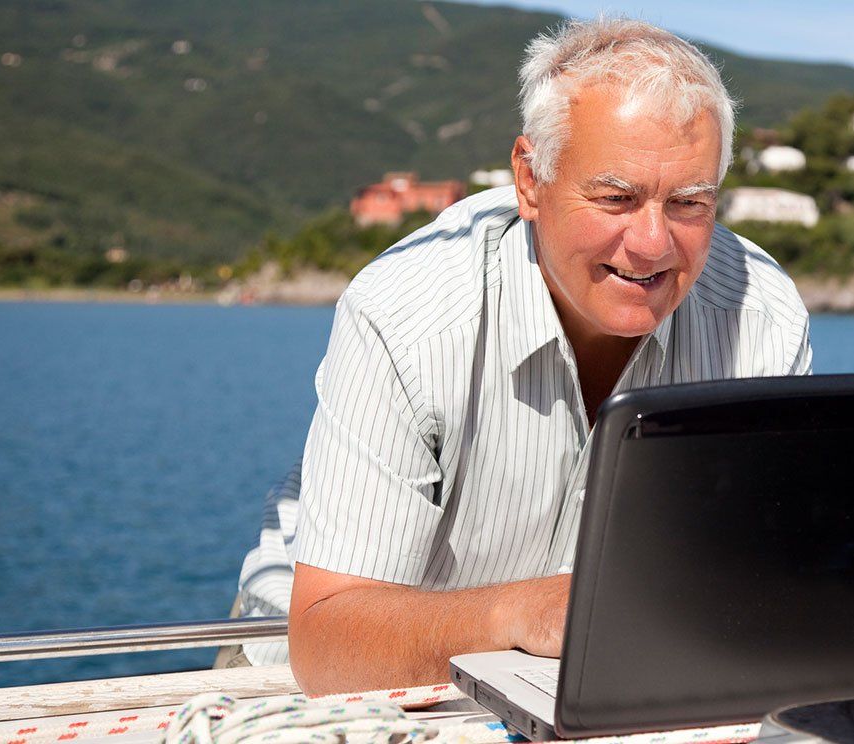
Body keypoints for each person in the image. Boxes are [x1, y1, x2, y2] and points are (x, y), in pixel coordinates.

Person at [233, 17, 813, 694]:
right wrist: (522, 611)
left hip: (584, 679)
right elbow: (327, 641)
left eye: (689, 203)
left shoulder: (763, 316)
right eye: (616, 199)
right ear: (530, 180)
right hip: (309, 669)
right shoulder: (403, 314)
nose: (654, 244)